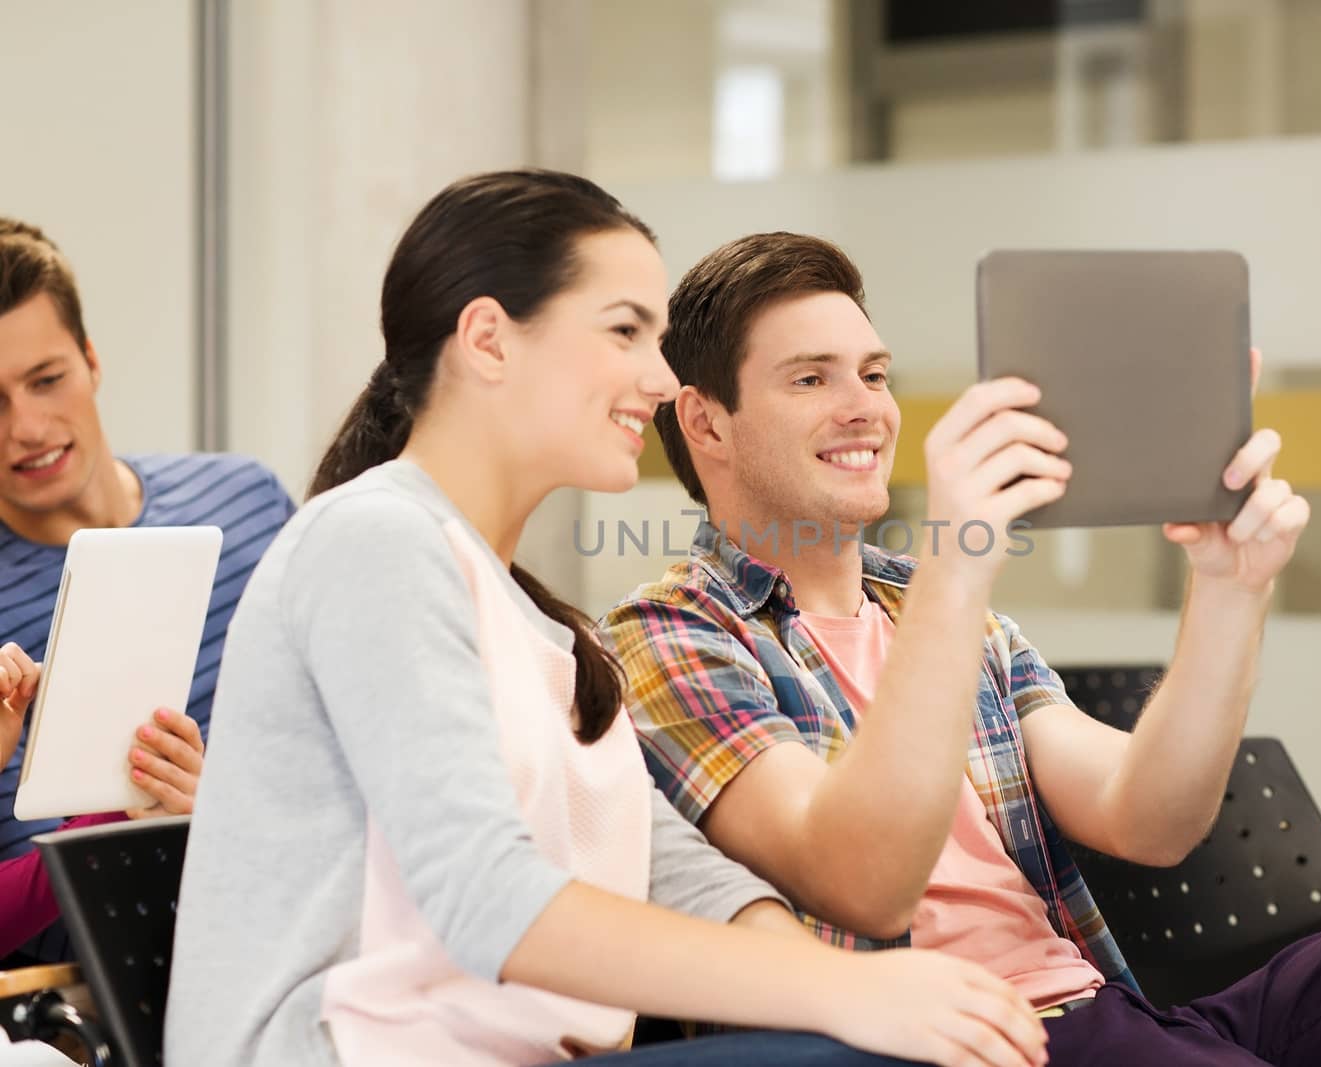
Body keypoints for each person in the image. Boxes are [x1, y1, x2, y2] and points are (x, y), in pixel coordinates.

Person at [599, 231, 1321, 1065]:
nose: (865, 407)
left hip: (1115, 1016)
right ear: (705, 422)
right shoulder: (671, 633)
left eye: (873, 373)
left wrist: (1227, 589)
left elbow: (1150, 817)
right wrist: (960, 558)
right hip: (971, 1043)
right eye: (810, 378)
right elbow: (861, 881)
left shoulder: (942, 613)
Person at [166, 170, 1049, 1067]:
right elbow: (489, 897)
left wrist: (850, 990)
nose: (662, 379)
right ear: (488, 341)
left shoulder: (541, 627)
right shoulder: (372, 540)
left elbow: (676, 874)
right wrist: (848, 991)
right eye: (626, 330)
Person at [0, 218, 294, 961]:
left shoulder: (248, 501)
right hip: (88, 997)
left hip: (298, 937)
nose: (26, 428)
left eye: (46, 379)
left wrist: (225, 808)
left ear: (92, 360)